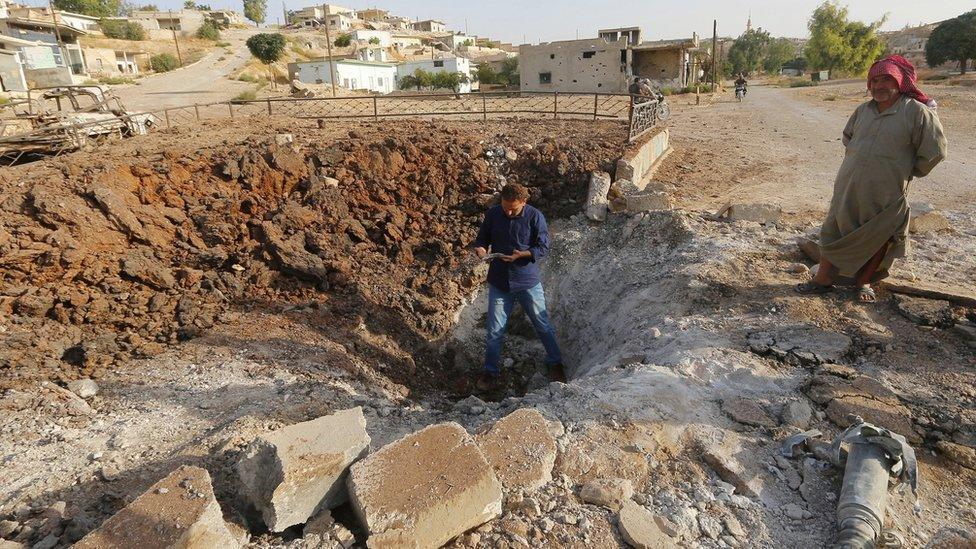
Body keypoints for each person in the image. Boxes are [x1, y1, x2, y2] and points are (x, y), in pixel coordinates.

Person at [796, 55, 947, 302]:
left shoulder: (917, 113)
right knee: (834, 230)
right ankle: (822, 281)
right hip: (849, 185)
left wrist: (906, 169)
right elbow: (848, 138)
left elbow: (935, 152)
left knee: (879, 236)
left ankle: (863, 283)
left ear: (899, 82)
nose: (878, 86)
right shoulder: (863, 110)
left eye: (886, 79)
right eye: (874, 80)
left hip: (887, 190)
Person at [470, 183, 566, 391]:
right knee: (494, 331)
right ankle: (490, 372)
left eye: (513, 208)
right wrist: (480, 249)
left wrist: (521, 255)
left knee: (542, 324)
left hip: (527, 281)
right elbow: (482, 239)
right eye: (505, 207)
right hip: (499, 282)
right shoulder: (494, 214)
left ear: (524, 202)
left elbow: (543, 246)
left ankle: (555, 363)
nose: (509, 211)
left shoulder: (534, 216)